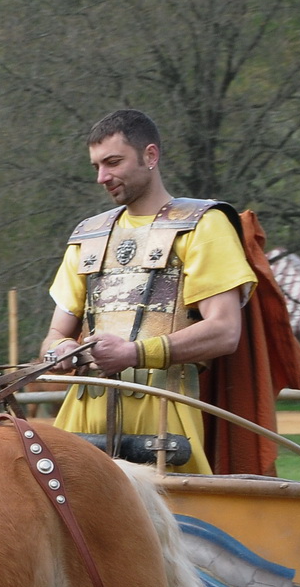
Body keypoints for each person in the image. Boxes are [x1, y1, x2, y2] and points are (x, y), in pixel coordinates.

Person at [39, 110, 256, 474]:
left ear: (150, 156)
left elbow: (224, 330)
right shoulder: (89, 236)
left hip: (163, 415)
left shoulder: (203, 225)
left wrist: (133, 353)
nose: (101, 177)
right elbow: (54, 334)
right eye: (96, 166)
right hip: (83, 416)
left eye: (112, 162)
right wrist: (59, 350)